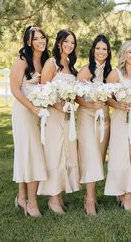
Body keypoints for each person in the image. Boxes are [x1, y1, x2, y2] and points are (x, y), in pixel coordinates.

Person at [37, 29, 81, 214]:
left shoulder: (71, 65)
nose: (69, 45)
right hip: (54, 116)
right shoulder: (51, 63)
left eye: (72, 43)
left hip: (68, 117)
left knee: (66, 154)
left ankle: (59, 194)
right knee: (54, 154)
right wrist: (59, 107)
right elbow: (43, 92)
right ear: (59, 42)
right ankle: (53, 199)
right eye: (67, 42)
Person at [11, 26, 49, 217]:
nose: (41, 41)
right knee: (31, 153)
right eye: (36, 38)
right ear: (28, 42)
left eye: (43, 37)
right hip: (25, 112)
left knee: (29, 153)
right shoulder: (22, 61)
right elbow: (15, 89)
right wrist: (33, 108)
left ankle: (21, 196)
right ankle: (32, 203)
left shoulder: (45, 60)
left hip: (41, 112)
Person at [104, 40, 131, 212]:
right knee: (125, 156)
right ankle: (127, 196)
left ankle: (125, 192)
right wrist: (119, 105)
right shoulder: (115, 74)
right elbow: (106, 97)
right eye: (130, 52)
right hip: (120, 118)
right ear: (124, 54)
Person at [76, 34, 112, 215]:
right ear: (93, 50)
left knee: (98, 155)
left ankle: (93, 193)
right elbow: (75, 95)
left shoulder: (110, 72)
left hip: (104, 117)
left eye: (104, 49)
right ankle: (89, 199)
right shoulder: (85, 70)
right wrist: (89, 104)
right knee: (90, 155)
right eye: (98, 48)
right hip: (87, 115)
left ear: (108, 52)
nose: (101, 52)